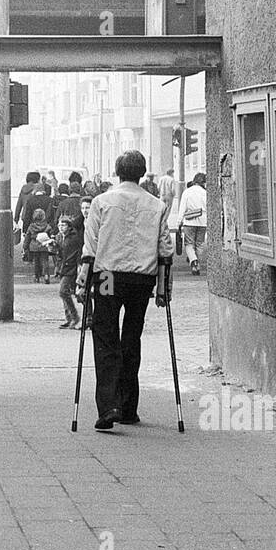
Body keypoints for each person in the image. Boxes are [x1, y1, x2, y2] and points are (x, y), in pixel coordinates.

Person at [76, 150, 173, 431]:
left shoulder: (101, 202)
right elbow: (165, 250)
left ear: (118, 172)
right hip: (142, 280)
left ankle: (109, 406)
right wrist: (164, 289)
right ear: (142, 173)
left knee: (106, 336)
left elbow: (90, 246)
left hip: (107, 276)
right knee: (132, 336)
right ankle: (129, 407)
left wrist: (83, 280)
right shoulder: (156, 206)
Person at [171, 172, 208, 275]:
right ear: (203, 182)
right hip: (203, 222)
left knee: (189, 243)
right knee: (199, 243)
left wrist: (179, 222)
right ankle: (198, 264)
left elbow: (182, 208)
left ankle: (194, 261)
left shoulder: (187, 192)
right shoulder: (205, 193)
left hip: (189, 221)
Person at [50, 215, 82, 329]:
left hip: (70, 268)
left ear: (69, 226)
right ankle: (69, 318)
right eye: (59, 225)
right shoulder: (59, 236)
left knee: (64, 292)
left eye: (63, 225)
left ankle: (75, 317)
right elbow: (58, 252)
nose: (60, 227)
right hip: (62, 268)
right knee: (67, 293)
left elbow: (72, 254)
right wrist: (52, 246)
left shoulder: (74, 238)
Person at [25, 208, 52, 282]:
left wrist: (25, 246)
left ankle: (37, 276)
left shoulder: (31, 226)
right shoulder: (47, 225)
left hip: (34, 246)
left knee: (36, 262)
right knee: (45, 261)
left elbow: (28, 237)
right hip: (44, 245)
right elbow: (50, 235)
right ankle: (46, 275)